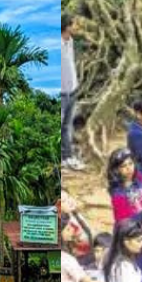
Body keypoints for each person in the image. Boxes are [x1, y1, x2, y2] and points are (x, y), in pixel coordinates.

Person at [62, 14, 86, 171]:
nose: (77, 27)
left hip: (72, 91)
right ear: (67, 26)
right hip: (61, 93)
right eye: (74, 25)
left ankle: (67, 157)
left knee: (67, 126)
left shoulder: (70, 42)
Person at [106, 149, 142, 224]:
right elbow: (125, 222)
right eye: (123, 166)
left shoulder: (139, 177)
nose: (128, 168)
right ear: (116, 170)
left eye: (130, 163)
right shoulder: (118, 195)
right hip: (134, 229)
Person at [59, 190, 95, 264]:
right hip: (77, 266)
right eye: (64, 201)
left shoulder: (74, 214)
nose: (70, 201)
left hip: (89, 259)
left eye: (69, 197)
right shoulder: (63, 223)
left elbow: (89, 235)